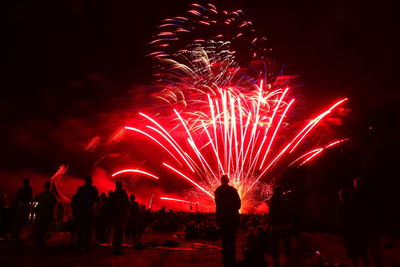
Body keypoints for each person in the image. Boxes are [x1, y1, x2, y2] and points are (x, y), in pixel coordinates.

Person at [214, 175, 241, 267]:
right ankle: (232, 260)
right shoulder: (233, 190)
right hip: (232, 219)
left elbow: (217, 205)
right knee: (232, 240)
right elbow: (238, 205)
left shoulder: (218, 191)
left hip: (222, 219)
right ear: (228, 181)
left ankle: (225, 260)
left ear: (221, 181)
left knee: (224, 240)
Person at [268, 186, 294, 267]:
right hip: (286, 226)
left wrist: (270, 224)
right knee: (287, 246)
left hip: (276, 227)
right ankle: (289, 262)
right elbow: (291, 213)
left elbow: (271, 215)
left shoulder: (273, 202)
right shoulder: (286, 201)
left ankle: (276, 263)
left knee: (274, 246)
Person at [72, 176, 99, 252]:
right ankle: (86, 247)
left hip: (81, 212)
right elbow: (96, 199)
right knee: (88, 230)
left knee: (81, 229)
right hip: (88, 211)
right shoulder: (93, 189)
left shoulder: (81, 189)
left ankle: (79, 246)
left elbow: (76, 199)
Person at [110, 180, 130, 255]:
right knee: (120, 233)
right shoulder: (123, 194)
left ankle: (115, 248)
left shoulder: (114, 194)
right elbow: (127, 204)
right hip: (121, 216)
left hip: (115, 216)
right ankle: (118, 249)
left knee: (116, 233)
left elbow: (111, 205)